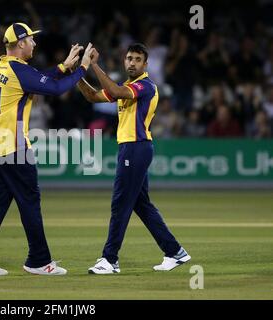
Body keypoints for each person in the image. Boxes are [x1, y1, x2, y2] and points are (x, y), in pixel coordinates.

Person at [0, 22, 94, 276]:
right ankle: (38, 260)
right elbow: (55, 88)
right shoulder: (18, 70)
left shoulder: (1, 66)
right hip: (12, 146)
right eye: (31, 40)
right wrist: (82, 69)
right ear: (21, 43)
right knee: (29, 202)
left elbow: (39, 78)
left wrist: (63, 66)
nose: (35, 43)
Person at [77, 43, 191, 273]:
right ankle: (175, 252)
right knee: (141, 204)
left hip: (136, 148)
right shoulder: (128, 86)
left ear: (145, 64)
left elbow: (117, 92)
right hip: (131, 148)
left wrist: (94, 65)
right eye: (129, 58)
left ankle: (110, 259)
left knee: (120, 203)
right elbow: (92, 96)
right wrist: (76, 74)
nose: (132, 62)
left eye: (137, 59)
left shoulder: (145, 86)